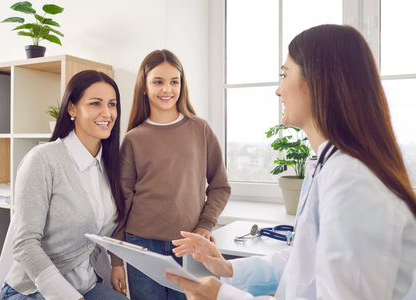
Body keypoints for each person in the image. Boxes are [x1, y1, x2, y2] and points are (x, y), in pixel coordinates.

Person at [166, 24, 416, 299]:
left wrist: (222, 296)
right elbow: (303, 262)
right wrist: (227, 268)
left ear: (318, 83)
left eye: (284, 75)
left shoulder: (354, 181)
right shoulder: (326, 167)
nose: (278, 90)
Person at [111, 49, 231, 300]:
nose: (167, 89)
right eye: (158, 82)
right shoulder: (133, 139)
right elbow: (123, 202)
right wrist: (116, 261)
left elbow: (220, 186)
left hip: (189, 246)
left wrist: (204, 227)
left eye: (174, 82)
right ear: (144, 86)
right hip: (141, 246)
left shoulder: (200, 129)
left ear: (181, 85)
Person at [0, 70, 129, 300]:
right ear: (72, 109)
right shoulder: (42, 160)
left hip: (86, 286)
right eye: (95, 103)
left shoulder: (108, 166)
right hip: (34, 290)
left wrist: (117, 263)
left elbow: (112, 226)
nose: (107, 113)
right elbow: (24, 243)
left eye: (112, 104)